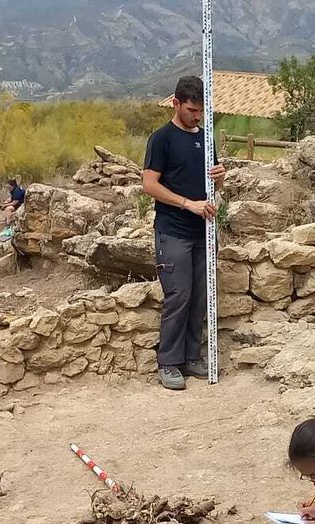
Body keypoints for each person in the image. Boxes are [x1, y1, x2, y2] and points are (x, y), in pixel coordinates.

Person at [141, 75, 225, 391]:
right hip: (173, 231)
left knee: (201, 296)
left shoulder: (206, 138)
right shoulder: (161, 139)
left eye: (201, 110)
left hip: (204, 230)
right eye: (191, 110)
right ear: (176, 104)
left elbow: (215, 184)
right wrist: (187, 204)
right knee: (179, 295)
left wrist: (220, 177)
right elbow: (149, 184)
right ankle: (169, 363)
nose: (197, 116)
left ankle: (191, 357)